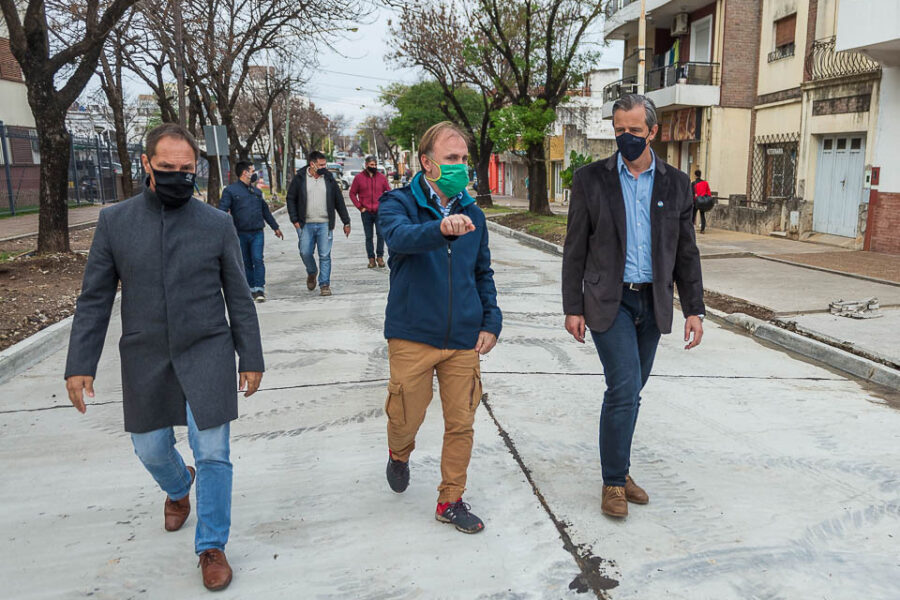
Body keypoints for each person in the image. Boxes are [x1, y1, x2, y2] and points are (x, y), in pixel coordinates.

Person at [64, 123, 265, 591]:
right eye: (168, 167)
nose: (178, 175)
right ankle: (178, 487)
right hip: (145, 353)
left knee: (213, 451)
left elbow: (239, 296)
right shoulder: (116, 221)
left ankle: (211, 545)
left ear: (197, 168)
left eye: (187, 168)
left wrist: (249, 355)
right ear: (146, 164)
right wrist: (80, 363)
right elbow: (94, 298)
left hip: (208, 349)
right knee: (150, 447)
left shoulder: (216, 223)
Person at [562, 94, 705, 520]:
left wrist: (694, 308)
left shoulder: (676, 184)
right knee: (623, 388)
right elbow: (574, 247)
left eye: (634, 132)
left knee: (632, 392)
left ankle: (620, 474)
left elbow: (686, 251)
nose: (625, 138)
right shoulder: (590, 179)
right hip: (609, 299)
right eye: (619, 130)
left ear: (653, 132)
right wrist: (573, 306)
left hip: (654, 300)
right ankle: (612, 482)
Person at [378, 121, 502, 534]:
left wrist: (491, 321)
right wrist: (439, 229)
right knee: (405, 417)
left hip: (464, 338)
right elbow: (398, 238)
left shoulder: (474, 214)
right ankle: (399, 452)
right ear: (427, 164)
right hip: (413, 335)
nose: (461, 167)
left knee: (462, 422)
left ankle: (450, 499)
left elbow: (482, 272)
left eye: (465, 159)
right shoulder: (398, 203)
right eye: (452, 159)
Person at [285, 150, 351, 296]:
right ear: (312, 164)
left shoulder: (329, 178)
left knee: (325, 255)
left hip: (325, 224)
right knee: (305, 252)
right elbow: (290, 198)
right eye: (321, 165)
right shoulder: (300, 178)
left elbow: (338, 201)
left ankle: (324, 284)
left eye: (324, 164)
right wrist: (295, 220)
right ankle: (312, 272)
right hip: (305, 224)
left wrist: (346, 221)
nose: (324, 167)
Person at [219, 160, 283, 302]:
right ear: (245, 173)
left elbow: (265, 211)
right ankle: (250, 288)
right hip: (240, 233)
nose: (255, 174)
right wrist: (220, 229)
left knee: (258, 259)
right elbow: (222, 211)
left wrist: (275, 227)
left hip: (257, 232)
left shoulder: (257, 192)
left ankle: (259, 289)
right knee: (245, 261)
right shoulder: (230, 191)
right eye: (253, 171)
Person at [349, 155, 391, 268]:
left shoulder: (382, 178)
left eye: (375, 165)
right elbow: (352, 193)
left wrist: (385, 206)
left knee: (381, 234)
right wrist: (359, 206)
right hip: (366, 211)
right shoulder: (359, 178)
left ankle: (380, 257)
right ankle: (371, 259)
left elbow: (388, 192)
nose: (374, 167)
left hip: (379, 212)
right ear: (366, 165)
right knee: (369, 236)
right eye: (371, 165)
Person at [692, 169, 711, 234]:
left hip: (696, 201)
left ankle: (691, 228)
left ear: (695, 175)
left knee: (693, 215)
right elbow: (708, 192)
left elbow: (691, 193)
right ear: (700, 175)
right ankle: (702, 229)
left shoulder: (693, 183)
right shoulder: (705, 183)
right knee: (702, 215)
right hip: (703, 201)